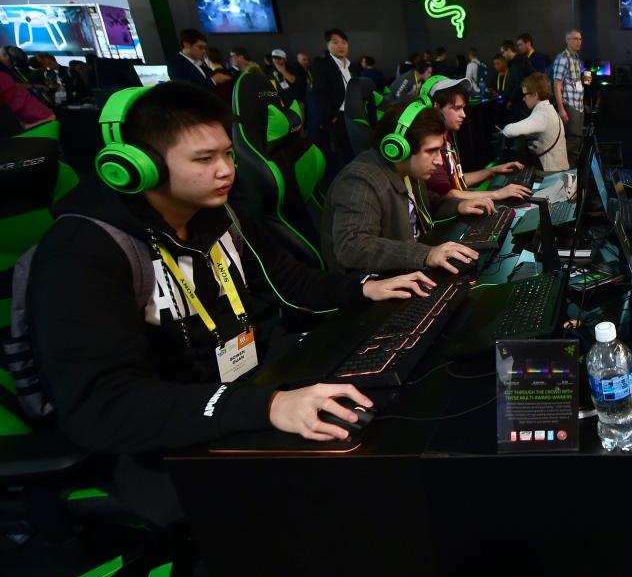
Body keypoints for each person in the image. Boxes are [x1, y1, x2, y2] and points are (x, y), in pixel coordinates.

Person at [28, 82, 437, 524]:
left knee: (387, 415)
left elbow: (289, 280)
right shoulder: (84, 251)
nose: (226, 171)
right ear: (135, 166)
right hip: (167, 438)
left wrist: (363, 288)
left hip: (247, 385)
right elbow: (103, 406)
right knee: (349, 496)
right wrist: (267, 407)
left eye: (227, 154)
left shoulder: (218, 214)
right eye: (204, 159)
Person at [322, 96, 494, 277]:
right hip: (381, 284)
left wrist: (459, 205)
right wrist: (426, 254)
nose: (438, 160)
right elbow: (351, 245)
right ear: (398, 148)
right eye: (431, 151)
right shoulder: (361, 180)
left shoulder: (408, 170)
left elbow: (426, 205)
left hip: (411, 263)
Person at [423, 77, 530, 201]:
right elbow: (448, 194)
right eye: (456, 108)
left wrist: (492, 170)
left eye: (463, 108)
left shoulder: (447, 138)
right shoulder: (432, 147)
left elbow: (458, 180)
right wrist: (497, 194)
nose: (463, 114)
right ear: (435, 107)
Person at [308, 28, 358, 178]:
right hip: (337, 118)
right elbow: (319, 94)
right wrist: (329, 118)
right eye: (335, 42)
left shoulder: (352, 66)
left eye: (343, 42)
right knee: (341, 156)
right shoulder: (322, 65)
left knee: (355, 150)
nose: (341, 46)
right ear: (328, 45)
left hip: (355, 115)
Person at [501, 72, 570, 173]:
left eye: (525, 94)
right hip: (557, 169)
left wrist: (504, 129)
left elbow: (510, 130)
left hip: (552, 174)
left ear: (535, 95)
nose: (523, 98)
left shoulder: (543, 115)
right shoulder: (548, 108)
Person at [550, 29, 589, 161]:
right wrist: (561, 108)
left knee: (577, 140)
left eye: (580, 39)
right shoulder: (563, 58)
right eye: (575, 39)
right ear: (567, 40)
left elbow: (575, 81)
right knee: (572, 142)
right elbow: (557, 84)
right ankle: (569, 177)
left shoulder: (576, 58)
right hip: (568, 105)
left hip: (578, 105)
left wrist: (584, 80)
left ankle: (574, 175)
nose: (578, 42)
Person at [167, 29, 226, 95]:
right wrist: (213, 80)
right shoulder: (176, 63)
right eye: (200, 47)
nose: (204, 51)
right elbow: (186, 89)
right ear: (186, 45)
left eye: (204, 48)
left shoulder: (198, 62)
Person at [500, 39, 532, 121]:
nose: (503, 55)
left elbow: (519, 83)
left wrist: (511, 100)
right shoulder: (519, 61)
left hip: (519, 104)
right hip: (521, 102)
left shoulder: (516, 63)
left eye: (503, 52)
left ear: (509, 50)